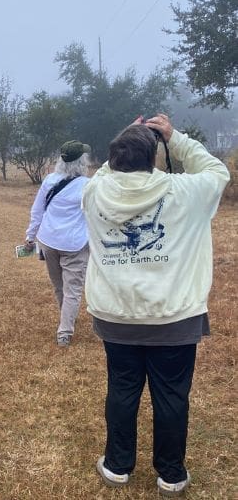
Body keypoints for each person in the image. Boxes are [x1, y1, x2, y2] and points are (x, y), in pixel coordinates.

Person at [83, 115, 230, 496]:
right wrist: (174, 137)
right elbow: (216, 170)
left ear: (115, 158)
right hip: (175, 316)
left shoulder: (94, 193)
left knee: (122, 388)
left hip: (116, 315)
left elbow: (101, 174)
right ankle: (171, 474)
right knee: (171, 395)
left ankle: (117, 465)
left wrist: (124, 137)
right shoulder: (184, 192)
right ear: (155, 157)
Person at [23, 140, 91, 346]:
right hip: (74, 244)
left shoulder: (50, 180)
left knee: (59, 286)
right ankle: (65, 331)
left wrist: (30, 236)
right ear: (82, 161)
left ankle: (66, 319)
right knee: (73, 289)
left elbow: (37, 211)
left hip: (48, 241)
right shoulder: (88, 185)